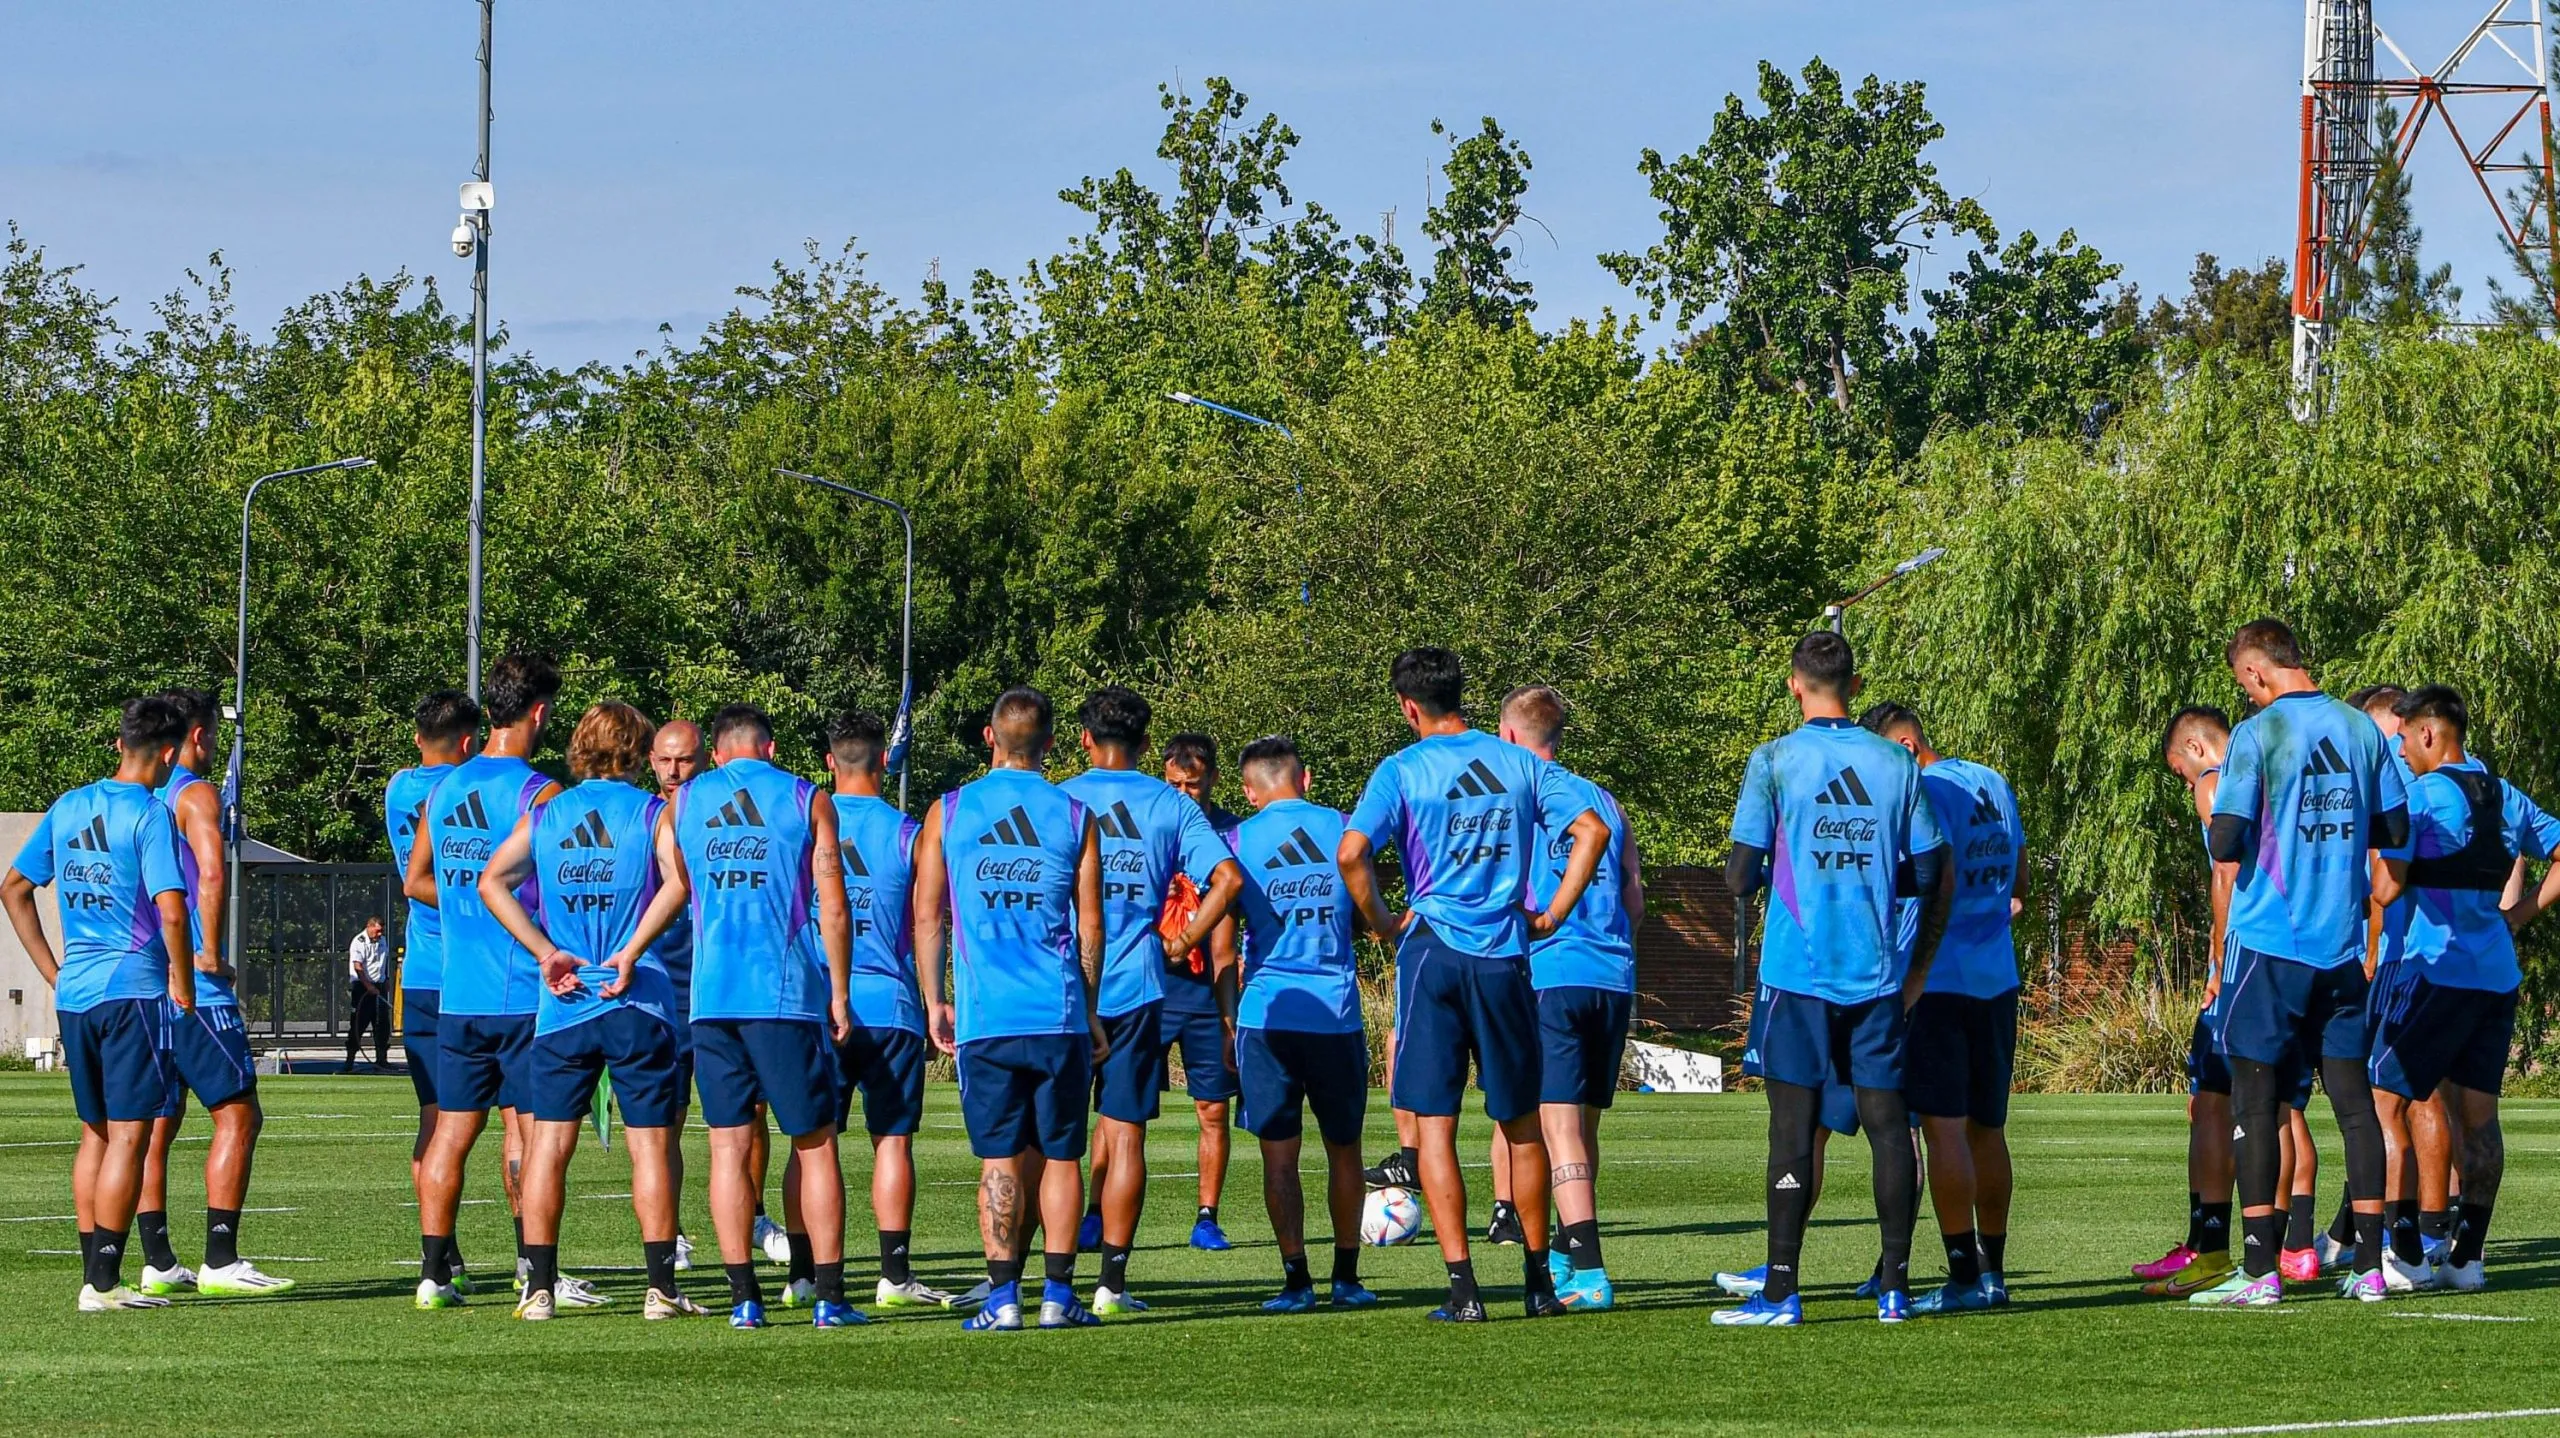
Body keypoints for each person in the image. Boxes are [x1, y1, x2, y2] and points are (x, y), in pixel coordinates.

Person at [1338, 648, 1610, 1323]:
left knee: (1435, 1127)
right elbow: (1592, 830)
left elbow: (1351, 853)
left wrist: (1383, 923)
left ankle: (1463, 1292)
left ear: (1407, 707)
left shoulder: (1402, 770)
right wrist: (1552, 914)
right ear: (1462, 694)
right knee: (1520, 1125)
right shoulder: (1517, 761)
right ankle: (1539, 1283)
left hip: (1432, 953)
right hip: (1505, 955)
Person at [1714, 632, 1949, 1327]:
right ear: (1851, 682)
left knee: (1791, 1131)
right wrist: (1877, 880)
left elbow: (1736, 876)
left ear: (1795, 684)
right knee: (1885, 1127)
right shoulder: (1894, 762)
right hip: (1875, 972)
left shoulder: (1776, 760)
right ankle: (1896, 1288)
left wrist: (1778, 873)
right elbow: (1931, 872)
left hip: (1798, 974)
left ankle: (1782, 1292)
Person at [2193, 618, 2406, 1306]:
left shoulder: (2258, 736)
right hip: (2342, 949)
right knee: (2353, 1108)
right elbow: (2396, 831)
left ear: (2256, 673)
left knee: (2256, 1108)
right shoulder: (2361, 728)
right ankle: (2370, 1268)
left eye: (2243, 684)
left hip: (2271, 945)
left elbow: (2225, 842)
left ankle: (2259, 1273)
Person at [477, 701, 707, 1321]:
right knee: (650, 1147)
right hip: (636, 1000)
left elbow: (491, 881)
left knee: (549, 1145)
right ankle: (661, 1289)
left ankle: (540, 1287)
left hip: (565, 1003)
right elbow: (682, 883)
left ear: (579, 747)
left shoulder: (548, 813)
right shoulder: (653, 812)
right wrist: (631, 951)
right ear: (635, 751)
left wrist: (547, 952)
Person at [910, 686, 1111, 1331]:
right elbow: (1091, 929)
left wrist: (934, 999)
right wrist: (1089, 1008)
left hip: (986, 1017)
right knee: (1062, 1156)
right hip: (1056, 1015)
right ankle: (1058, 1296)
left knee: (999, 1161)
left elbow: (928, 913)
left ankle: (1002, 1301)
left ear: (988, 738)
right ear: (1051, 744)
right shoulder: (1076, 814)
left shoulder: (950, 809)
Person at [0, 695, 194, 1311]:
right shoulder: (152, 813)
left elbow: (14, 889)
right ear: (167, 754)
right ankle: (104, 1284)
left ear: (119, 744)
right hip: (132, 991)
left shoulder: (69, 804)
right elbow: (170, 908)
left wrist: (53, 973)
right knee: (131, 1137)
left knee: (95, 1134)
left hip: (78, 995)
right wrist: (184, 983)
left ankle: (95, 1274)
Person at [671, 704, 858, 1330]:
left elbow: (678, 889)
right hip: (782, 996)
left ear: (717, 752)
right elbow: (833, 906)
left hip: (710, 998)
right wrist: (838, 991)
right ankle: (828, 1296)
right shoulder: (808, 799)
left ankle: (743, 1299)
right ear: (771, 749)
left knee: (726, 1148)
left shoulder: (682, 804)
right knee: (815, 1145)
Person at [1059, 687, 1245, 1315]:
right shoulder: (1172, 805)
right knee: (1126, 1131)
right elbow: (1229, 880)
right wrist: (1186, 938)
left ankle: (1042, 1282)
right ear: (1145, 745)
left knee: (1054, 1138)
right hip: (1138, 986)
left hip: (1062, 989)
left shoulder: (1061, 799)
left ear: (1084, 739)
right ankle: (1112, 1285)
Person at [2371, 685, 2560, 1292]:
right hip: (2494, 978)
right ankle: (2467, 1257)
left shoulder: (2419, 800)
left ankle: (2403, 1252)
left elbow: (2386, 890)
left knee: (2382, 1101)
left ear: (2428, 733)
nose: (2399, 749)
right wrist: (2519, 915)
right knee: (2480, 1119)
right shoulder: (2507, 796)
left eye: (2402, 738)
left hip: (2434, 972)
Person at [404, 651, 574, 1311]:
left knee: (452, 1131)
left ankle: (433, 1274)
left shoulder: (443, 786)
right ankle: (535, 1273)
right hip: (522, 994)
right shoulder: (540, 793)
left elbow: (416, 878)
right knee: (534, 1134)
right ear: (537, 713)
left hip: (457, 994)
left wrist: (463, 909)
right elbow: (560, 891)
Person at [126, 687, 294, 1298]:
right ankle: (222, 1258)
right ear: (198, 737)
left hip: (147, 981)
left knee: (154, 1122)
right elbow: (215, 871)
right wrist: (213, 953)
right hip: (195, 983)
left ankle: (157, 1259)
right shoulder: (196, 792)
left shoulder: (140, 796)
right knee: (239, 1113)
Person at [1862, 702, 2023, 1315]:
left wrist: (1915, 976)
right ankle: (1995, 1271)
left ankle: (1960, 1277)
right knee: (1990, 1130)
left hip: (1941, 983)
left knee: (1943, 1132)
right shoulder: (1992, 781)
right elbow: (2019, 880)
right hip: (1997, 978)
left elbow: (1936, 880)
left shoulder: (1924, 791)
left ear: (1904, 745)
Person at [1487, 685, 1643, 1311]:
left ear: (1509, 738)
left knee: (1556, 1126)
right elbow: (1634, 899)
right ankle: (1560, 1250)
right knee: (1583, 1126)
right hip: (1612, 976)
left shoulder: (1517, 797)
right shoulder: (1605, 800)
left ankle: (1590, 1270)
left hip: (1552, 971)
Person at [1227, 735, 1380, 1312]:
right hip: (1336, 1013)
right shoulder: (1346, 828)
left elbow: (1221, 944)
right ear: (1306, 778)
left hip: (1266, 1016)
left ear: (1249, 790)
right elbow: (1370, 913)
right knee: (1345, 1149)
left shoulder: (1235, 841)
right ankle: (1347, 1278)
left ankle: (1296, 1281)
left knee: (1279, 1157)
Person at [814, 710, 954, 1309]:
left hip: (819, 1005)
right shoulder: (909, 834)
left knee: (812, 1145)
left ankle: (806, 1275)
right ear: (883, 760)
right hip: (890, 1006)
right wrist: (935, 1001)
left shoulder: (805, 825)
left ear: (829, 763)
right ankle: (894, 1275)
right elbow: (929, 919)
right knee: (891, 1143)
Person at [2146, 705, 2242, 1297]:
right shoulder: (2269, 774)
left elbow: (2226, 875)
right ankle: (2286, 1242)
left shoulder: (2216, 783)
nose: (2189, 788)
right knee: (2272, 1109)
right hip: (2292, 957)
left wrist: (2218, 963)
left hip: (2241, 964)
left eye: (2181, 773)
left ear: (2198, 751)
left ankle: (2213, 1247)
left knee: (2212, 1104)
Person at [386, 688, 479, 1292]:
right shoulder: (470, 794)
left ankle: (442, 1256)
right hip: (475, 971)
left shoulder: (398, 787)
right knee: (520, 1125)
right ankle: (535, 1264)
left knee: (433, 1120)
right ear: (471, 743)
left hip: (418, 972)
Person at [1146, 731, 1246, 1253]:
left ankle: (1208, 1216)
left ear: (1212, 779)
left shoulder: (1231, 835)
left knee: (1212, 1108)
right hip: (1149, 986)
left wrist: (1231, 1020)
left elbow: (1229, 937)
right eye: (1174, 784)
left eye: (1193, 784)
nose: (1184, 794)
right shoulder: (1151, 824)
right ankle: (1099, 1213)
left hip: (1207, 992)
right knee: (1124, 1109)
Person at [648, 717, 710, 1274]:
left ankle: (758, 1217)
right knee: (663, 1121)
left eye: (684, 760)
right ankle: (673, 1231)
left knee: (745, 1116)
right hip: (661, 995)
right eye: (665, 760)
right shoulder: (646, 822)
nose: (674, 771)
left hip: (719, 990)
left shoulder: (719, 819)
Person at [346, 917, 391, 1073]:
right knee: (358, 1024)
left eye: (381, 931)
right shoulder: (359, 942)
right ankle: (349, 1061)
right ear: (369, 927)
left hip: (379, 986)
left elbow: (382, 962)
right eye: (377, 930)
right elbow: (358, 967)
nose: (379, 934)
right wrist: (368, 986)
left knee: (382, 1024)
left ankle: (382, 1059)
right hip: (363, 988)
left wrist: (386, 980)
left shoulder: (383, 941)